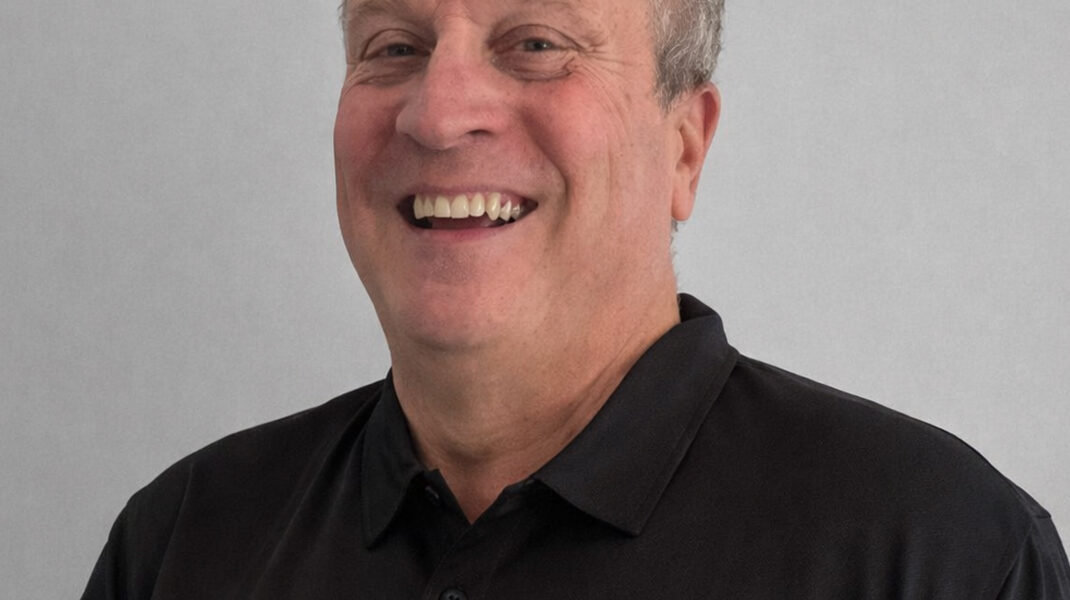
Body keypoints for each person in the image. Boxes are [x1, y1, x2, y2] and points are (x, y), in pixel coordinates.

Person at [83, 0, 1070, 597]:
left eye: (536, 42)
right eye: (393, 46)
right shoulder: (181, 545)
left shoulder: (938, 557)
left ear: (683, 146)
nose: (438, 112)